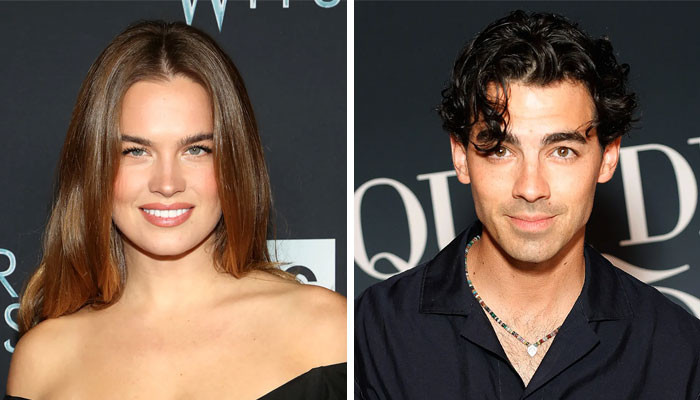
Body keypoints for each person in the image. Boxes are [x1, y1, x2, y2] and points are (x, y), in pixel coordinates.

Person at [355, 10, 700, 399]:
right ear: (461, 157)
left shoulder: (678, 351)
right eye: (501, 150)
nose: (531, 188)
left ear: (607, 158)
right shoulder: (373, 333)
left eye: (562, 151)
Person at [5, 20, 346, 399]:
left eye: (196, 150)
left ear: (234, 162)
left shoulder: (327, 330)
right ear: (94, 166)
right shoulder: (44, 360)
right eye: (135, 151)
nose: (167, 184)